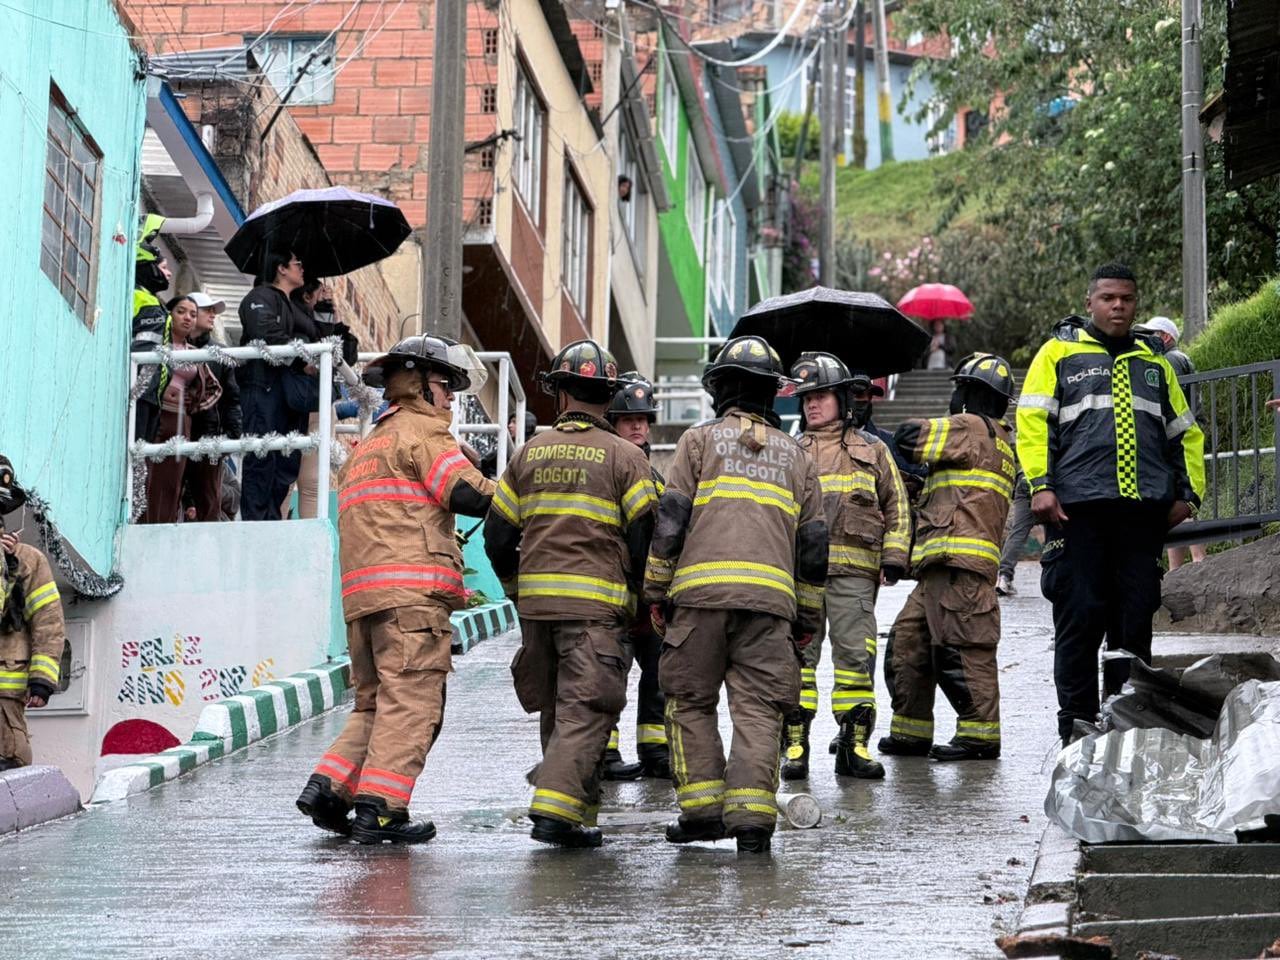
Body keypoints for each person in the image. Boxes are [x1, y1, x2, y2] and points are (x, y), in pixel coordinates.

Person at [296, 335, 494, 844]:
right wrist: (512, 492)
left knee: (375, 704)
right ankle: (382, 810)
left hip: (364, 602)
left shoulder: (369, 445)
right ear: (421, 386)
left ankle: (330, 789)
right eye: (446, 386)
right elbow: (465, 492)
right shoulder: (423, 433)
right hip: (412, 601)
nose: (451, 399)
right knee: (412, 705)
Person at [644, 335, 827, 854]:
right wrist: (807, 616)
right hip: (770, 609)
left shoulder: (697, 442)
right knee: (760, 710)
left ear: (720, 388)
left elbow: (671, 521)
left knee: (689, 701)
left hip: (699, 601)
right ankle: (751, 824)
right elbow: (814, 546)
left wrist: (656, 589)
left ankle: (702, 812)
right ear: (773, 393)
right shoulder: (799, 458)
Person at [1017, 263, 1205, 747]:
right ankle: (1076, 731)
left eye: (1126, 298)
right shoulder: (1058, 353)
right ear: (1090, 303)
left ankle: (1126, 730)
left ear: (1135, 303)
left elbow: (1185, 432)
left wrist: (1189, 495)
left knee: (1134, 622)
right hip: (1076, 513)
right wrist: (1040, 484)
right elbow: (1033, 423)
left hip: (1141, 516)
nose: (1117, 306)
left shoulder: (1155, 363)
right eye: (1108, 298)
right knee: (1079, 620)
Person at [484, 340, 657, 849]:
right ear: (609, 396)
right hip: (595, 610)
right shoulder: (626, 458)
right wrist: (643, 598)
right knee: (587, 709)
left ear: (560, 394)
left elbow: (497, 537)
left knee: (558, 708)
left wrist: (517, 591)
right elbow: (645, 537)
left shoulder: (528, 453)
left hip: (537, 609)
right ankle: (555, 811)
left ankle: (577, 812)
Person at [880, 354, 1017, 761]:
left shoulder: (971, 427)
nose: (954, 397)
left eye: (959, 389)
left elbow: (910, 437)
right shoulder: (995, 440)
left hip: (960, 567)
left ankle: (980, 736)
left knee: (962, 653)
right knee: (908, 645)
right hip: (940, 567)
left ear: (972, 394)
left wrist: (873, 441)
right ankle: (911, 732)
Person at [782, 353, 909, 782]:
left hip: (855, 576)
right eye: (806, 398)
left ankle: (854, 747)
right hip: (802, 577)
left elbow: (898, 508)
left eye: (820, 396)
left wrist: (893, 557)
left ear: (842, 399)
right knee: (798, 661)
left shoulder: (873, 450)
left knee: (856, 660)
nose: (811, 404)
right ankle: (795, 747)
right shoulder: (791, 452)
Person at [600, 373, 670, 781]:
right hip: (615, 589)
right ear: (612, 422)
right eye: (629, 420)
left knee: (659, 672)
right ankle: (606, 751)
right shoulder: (607, 467)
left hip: (649, 592)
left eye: (643, 419)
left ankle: (655, 749)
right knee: (610, 673)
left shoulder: (654, 475)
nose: (638, 426)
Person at [237, 251, 316, 521]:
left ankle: (271, 521)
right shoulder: (260, 297)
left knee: (285, 462)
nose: (302, 270)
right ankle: (255, 524)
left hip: (284, 394)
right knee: (262, 457)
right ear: (281, 269)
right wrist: (302, 358)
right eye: (298, 264)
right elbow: (264, 331)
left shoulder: (291, 305)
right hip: (262, 388)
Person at [0, 457, 65, 770]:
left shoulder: (27, 560)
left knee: (11, 761)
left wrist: (42, 680)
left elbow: (48, 623)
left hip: (5, 697)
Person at [142, 296, 222, 524]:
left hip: (181, 419)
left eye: (193, 314)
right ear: (169, 314)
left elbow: (215, 388)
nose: (187, 318)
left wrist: (194, 404)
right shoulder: (156, 346)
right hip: (157, 415)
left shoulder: (194, 352)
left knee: (172, 479)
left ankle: (165, 526)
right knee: (150, 474)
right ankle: (145, 524)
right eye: (181, 312)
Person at [183, 292, 241, 522]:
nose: (213, 314)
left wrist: (232, 435)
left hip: (209, 439)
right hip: (177, 433)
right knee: (172, 494)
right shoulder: (172, 347)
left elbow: (232, 399)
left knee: (208, 501)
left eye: (214, 310)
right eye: (207, 309)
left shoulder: (219, 354)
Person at [131, 214, 173, 445]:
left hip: (153, 393)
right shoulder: (138, 296)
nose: (169, 274)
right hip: (140, 389)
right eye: (164, 268)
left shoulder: (151, 299)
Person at [996, 464, 1035, 597]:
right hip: (1049, 481)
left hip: (1024, 477)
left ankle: (1004, 578)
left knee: (1018, 531)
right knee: (1056, 527)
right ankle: (1059, 577)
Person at [480, 411, 538, 479]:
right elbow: (484, 462)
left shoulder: (536, 448)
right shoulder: (505, 447)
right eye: (510, 422)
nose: (510, 425)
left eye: (514, 422)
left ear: (528, 426)